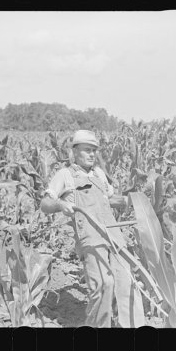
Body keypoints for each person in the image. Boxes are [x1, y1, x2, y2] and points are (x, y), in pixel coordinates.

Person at [40, 129, 145, 328]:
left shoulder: (98, 174)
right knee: (104, 285)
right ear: (74, 152)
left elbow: (109, 200)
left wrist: (135, 201)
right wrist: (61, 205)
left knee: (127, 282)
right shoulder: (65, 175)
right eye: (87, 150)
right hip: (91, 238)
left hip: (114, 234)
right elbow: (45, 204)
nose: (92, 154)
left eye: (94, 150)